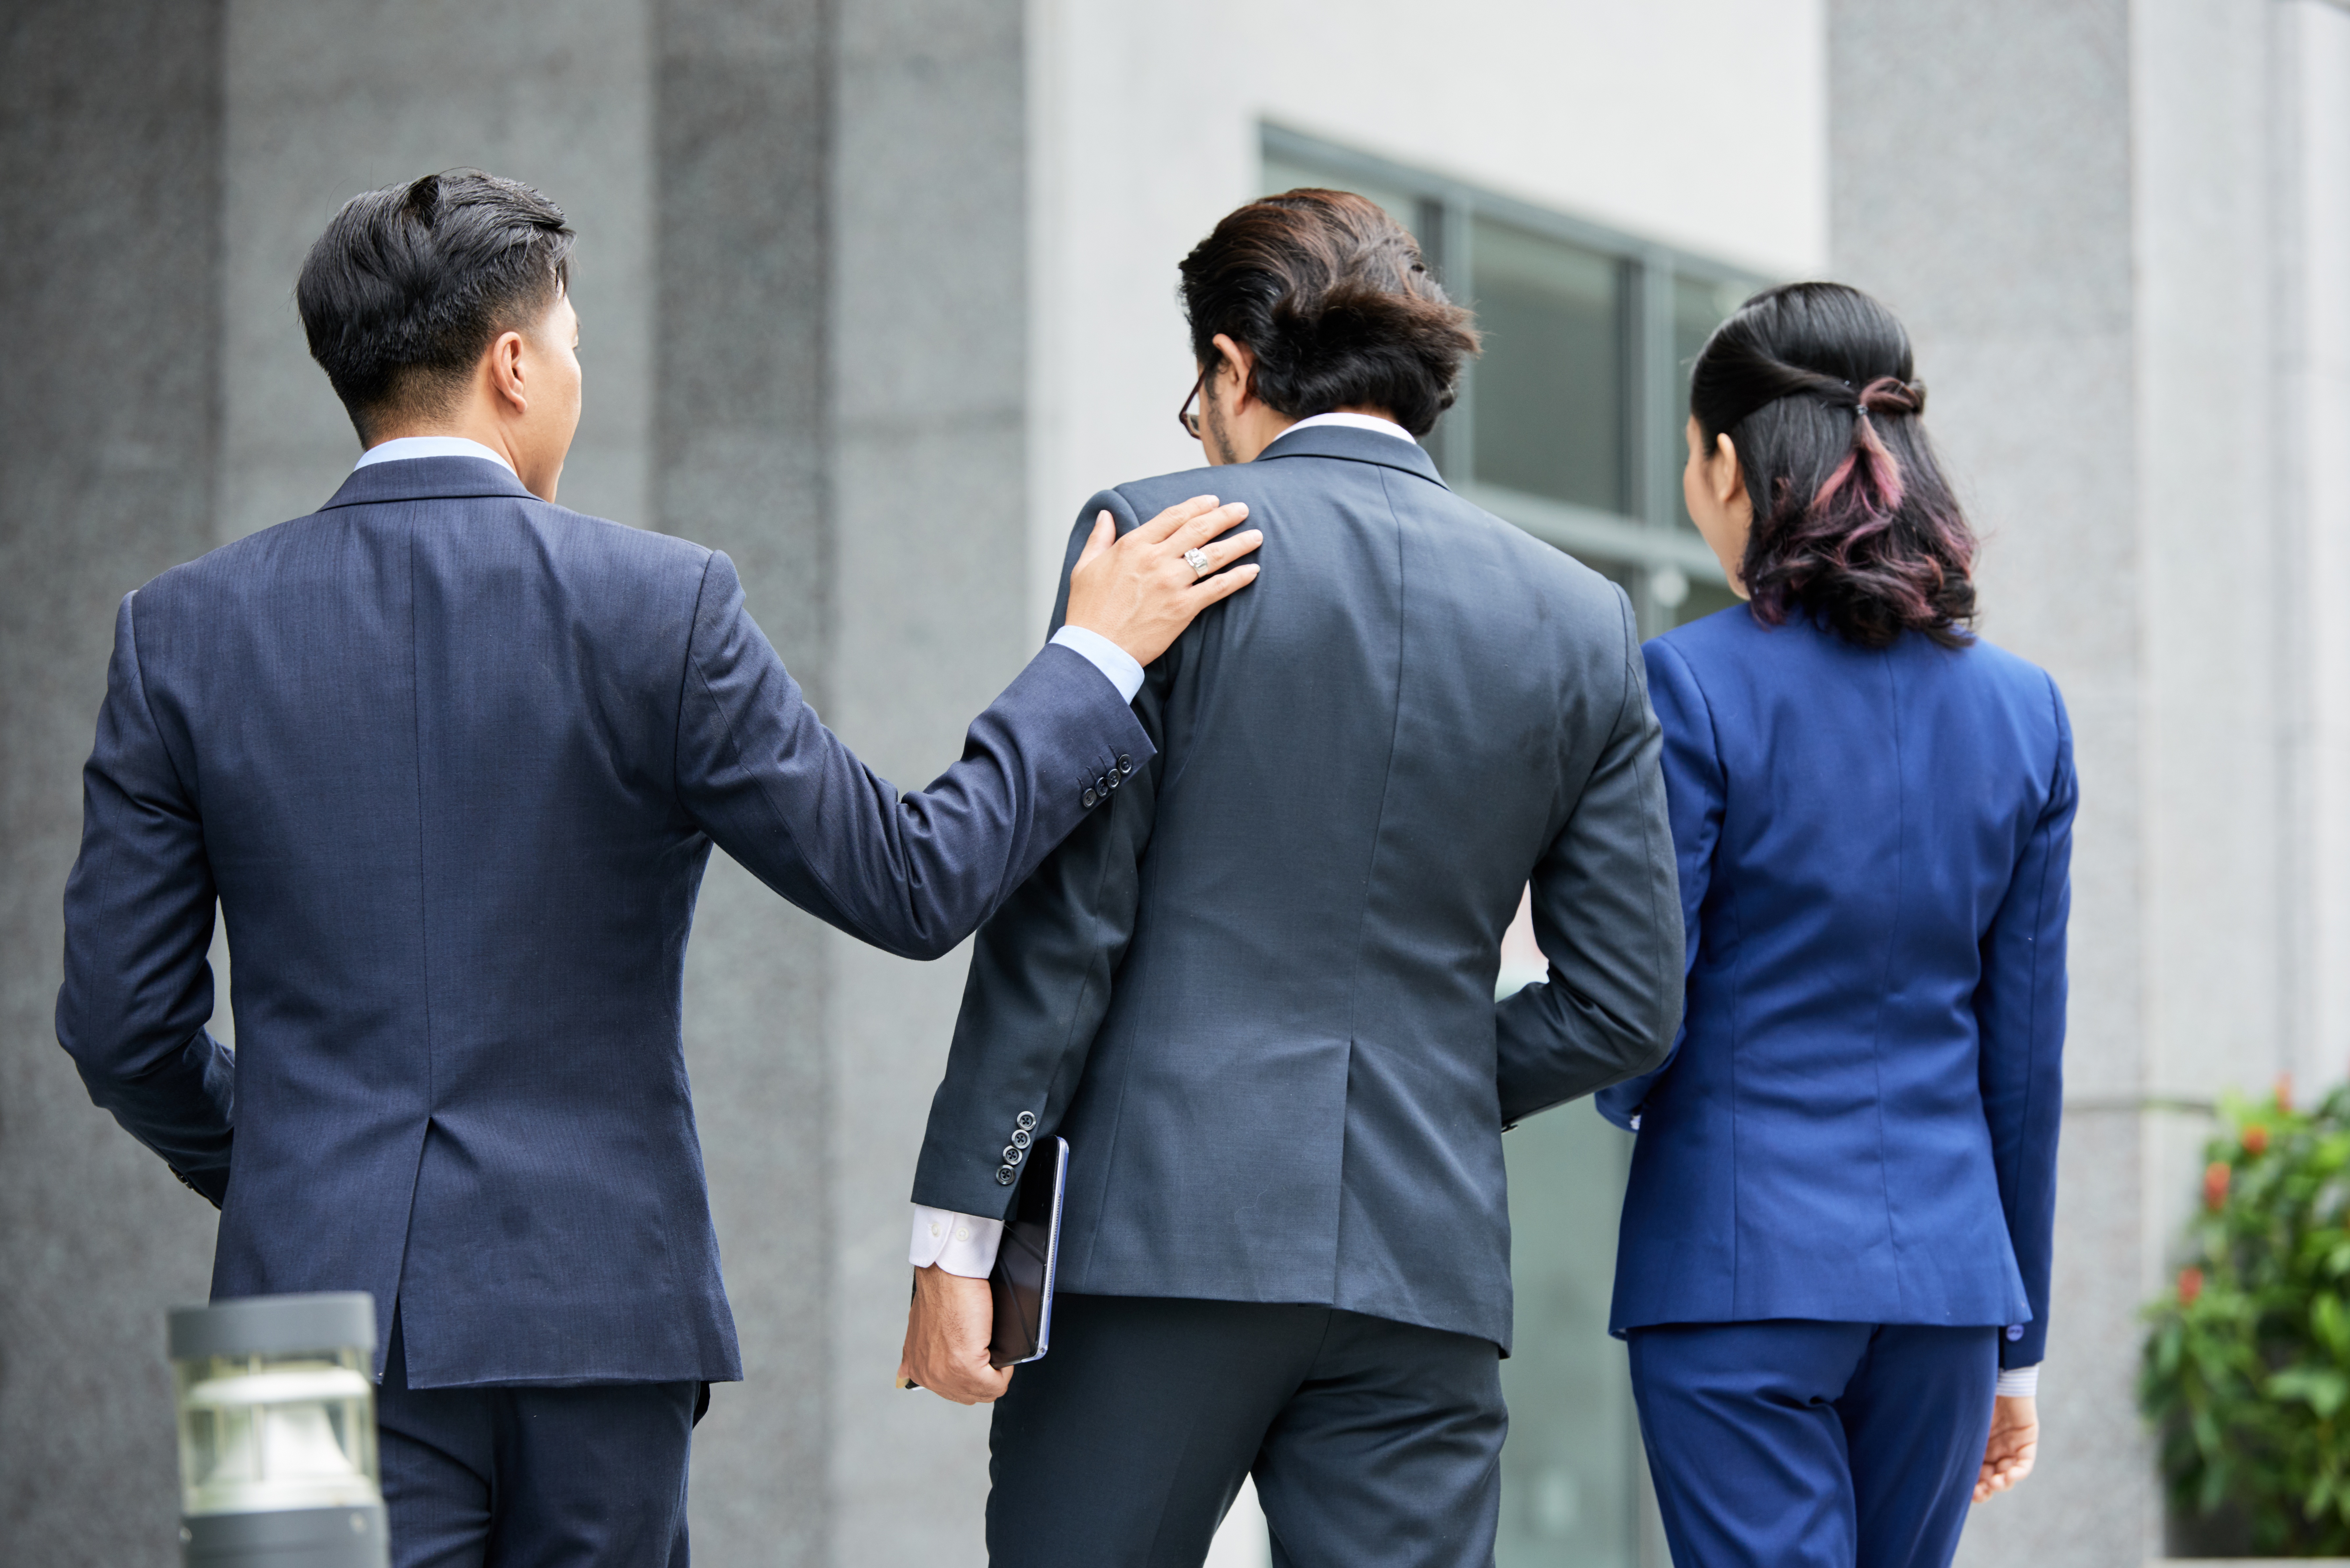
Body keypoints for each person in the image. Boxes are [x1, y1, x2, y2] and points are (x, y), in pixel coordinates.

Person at [53, 169, 1261, 1567]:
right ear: (511, 366)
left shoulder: (178, 634)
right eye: (570, 349)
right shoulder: (659, 607)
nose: (577, 379)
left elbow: (122, 1025)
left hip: (285, 1315)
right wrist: (1094, 657)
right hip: (598, 1310)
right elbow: (911, 878)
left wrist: (285, 1159)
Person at [895, 188, 1686, 1567]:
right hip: (1421, 1268)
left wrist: (962, 1229)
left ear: (1230, 366)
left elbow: (1060, 929)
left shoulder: (1159, 543)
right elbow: (1628, 1001)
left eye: (1194, 393)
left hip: (1156, 1239)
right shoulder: (1575, 618)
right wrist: (1417, 1074)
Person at [1597, 281, 2072, 1567]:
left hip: (1735, 1267)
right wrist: (2014, 1344)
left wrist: (1608, 1072)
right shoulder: (2025, 713)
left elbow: (1647, 999)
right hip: (1946, 1292)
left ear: (1723, 463)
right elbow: (2021, 1064)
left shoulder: (1686, 683)